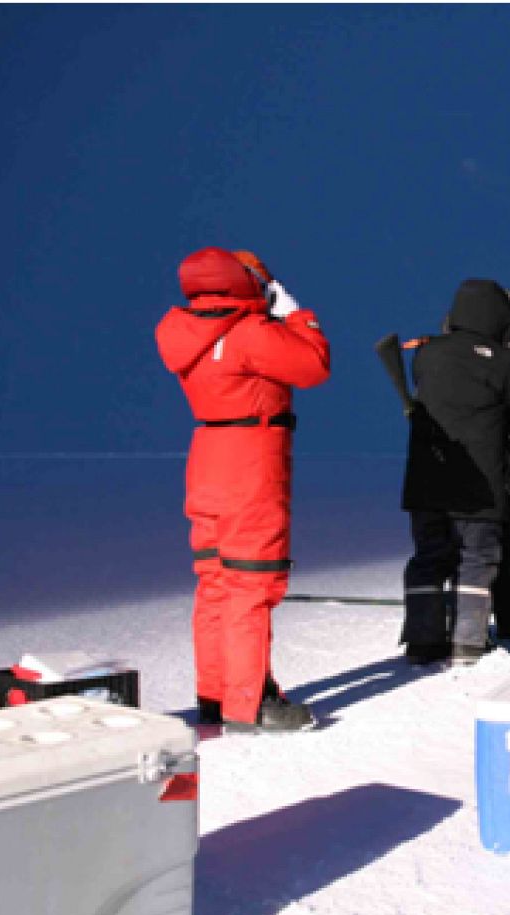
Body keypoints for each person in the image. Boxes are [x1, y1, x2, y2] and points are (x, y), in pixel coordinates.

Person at [154, 247, 331, 731]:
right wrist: (297, 314)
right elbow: (313, 365)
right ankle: (250, 703)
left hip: (207, 455)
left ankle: (217, 693)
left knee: (215, 581)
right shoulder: (251, 334)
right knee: (251, 581)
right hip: (251, 460)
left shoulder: (182, 332)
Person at [400, 279, 510, 666]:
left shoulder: (425, 356)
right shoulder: (503, 363)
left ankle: (423, 640)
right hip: (481, 485)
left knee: (429, 557)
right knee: (477, 557)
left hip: (426, 481)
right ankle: (467, 641)